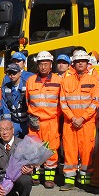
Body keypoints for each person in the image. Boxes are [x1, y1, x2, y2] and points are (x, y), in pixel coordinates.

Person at [59, 50, 99, 191]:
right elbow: (63, 102)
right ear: (74, 64)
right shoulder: (66, 81)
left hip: (87, 123)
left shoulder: (93, 81)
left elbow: (95, 102)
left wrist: (82, 118)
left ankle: (85, 181)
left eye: (83, 61)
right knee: (69, 151)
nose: (80, 63)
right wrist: (72, 118)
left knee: (86, 151)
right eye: (78, 61)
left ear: (87, 63)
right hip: (70, 123)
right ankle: (69, 181)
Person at [25, 51, 62, 188]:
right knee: (34, 149)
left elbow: (61, 101)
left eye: (46, 64)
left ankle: (49, 178)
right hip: (35, 121)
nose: (43, 67)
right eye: (41, 64)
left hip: (51, 121)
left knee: (51, 149)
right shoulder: (30, 81)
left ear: (51, 65)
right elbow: (28, 101)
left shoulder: (58, 81)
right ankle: (34, 176)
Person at [2, 62, 29, 138]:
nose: (12, 76)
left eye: (14, 73)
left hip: (27, 123)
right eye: (9, 73)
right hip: (14, 122)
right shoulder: (6, 88)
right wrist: (8, 124)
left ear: (20, 73)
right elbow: (5, 107)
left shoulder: (27, 86)